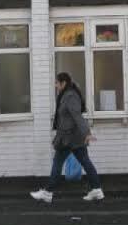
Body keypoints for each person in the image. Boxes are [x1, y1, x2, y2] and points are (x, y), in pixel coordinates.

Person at [30, 72, 104, 203]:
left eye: (57, 83)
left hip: (69, 138)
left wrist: (87, 133)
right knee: (85, 162)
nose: (55, 86)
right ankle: (97, 190)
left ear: (63, 83)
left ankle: (47, 193)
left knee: (58, 163)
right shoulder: (66, 94)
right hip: (72, 137)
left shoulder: (70, 96)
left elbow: (77, 116)